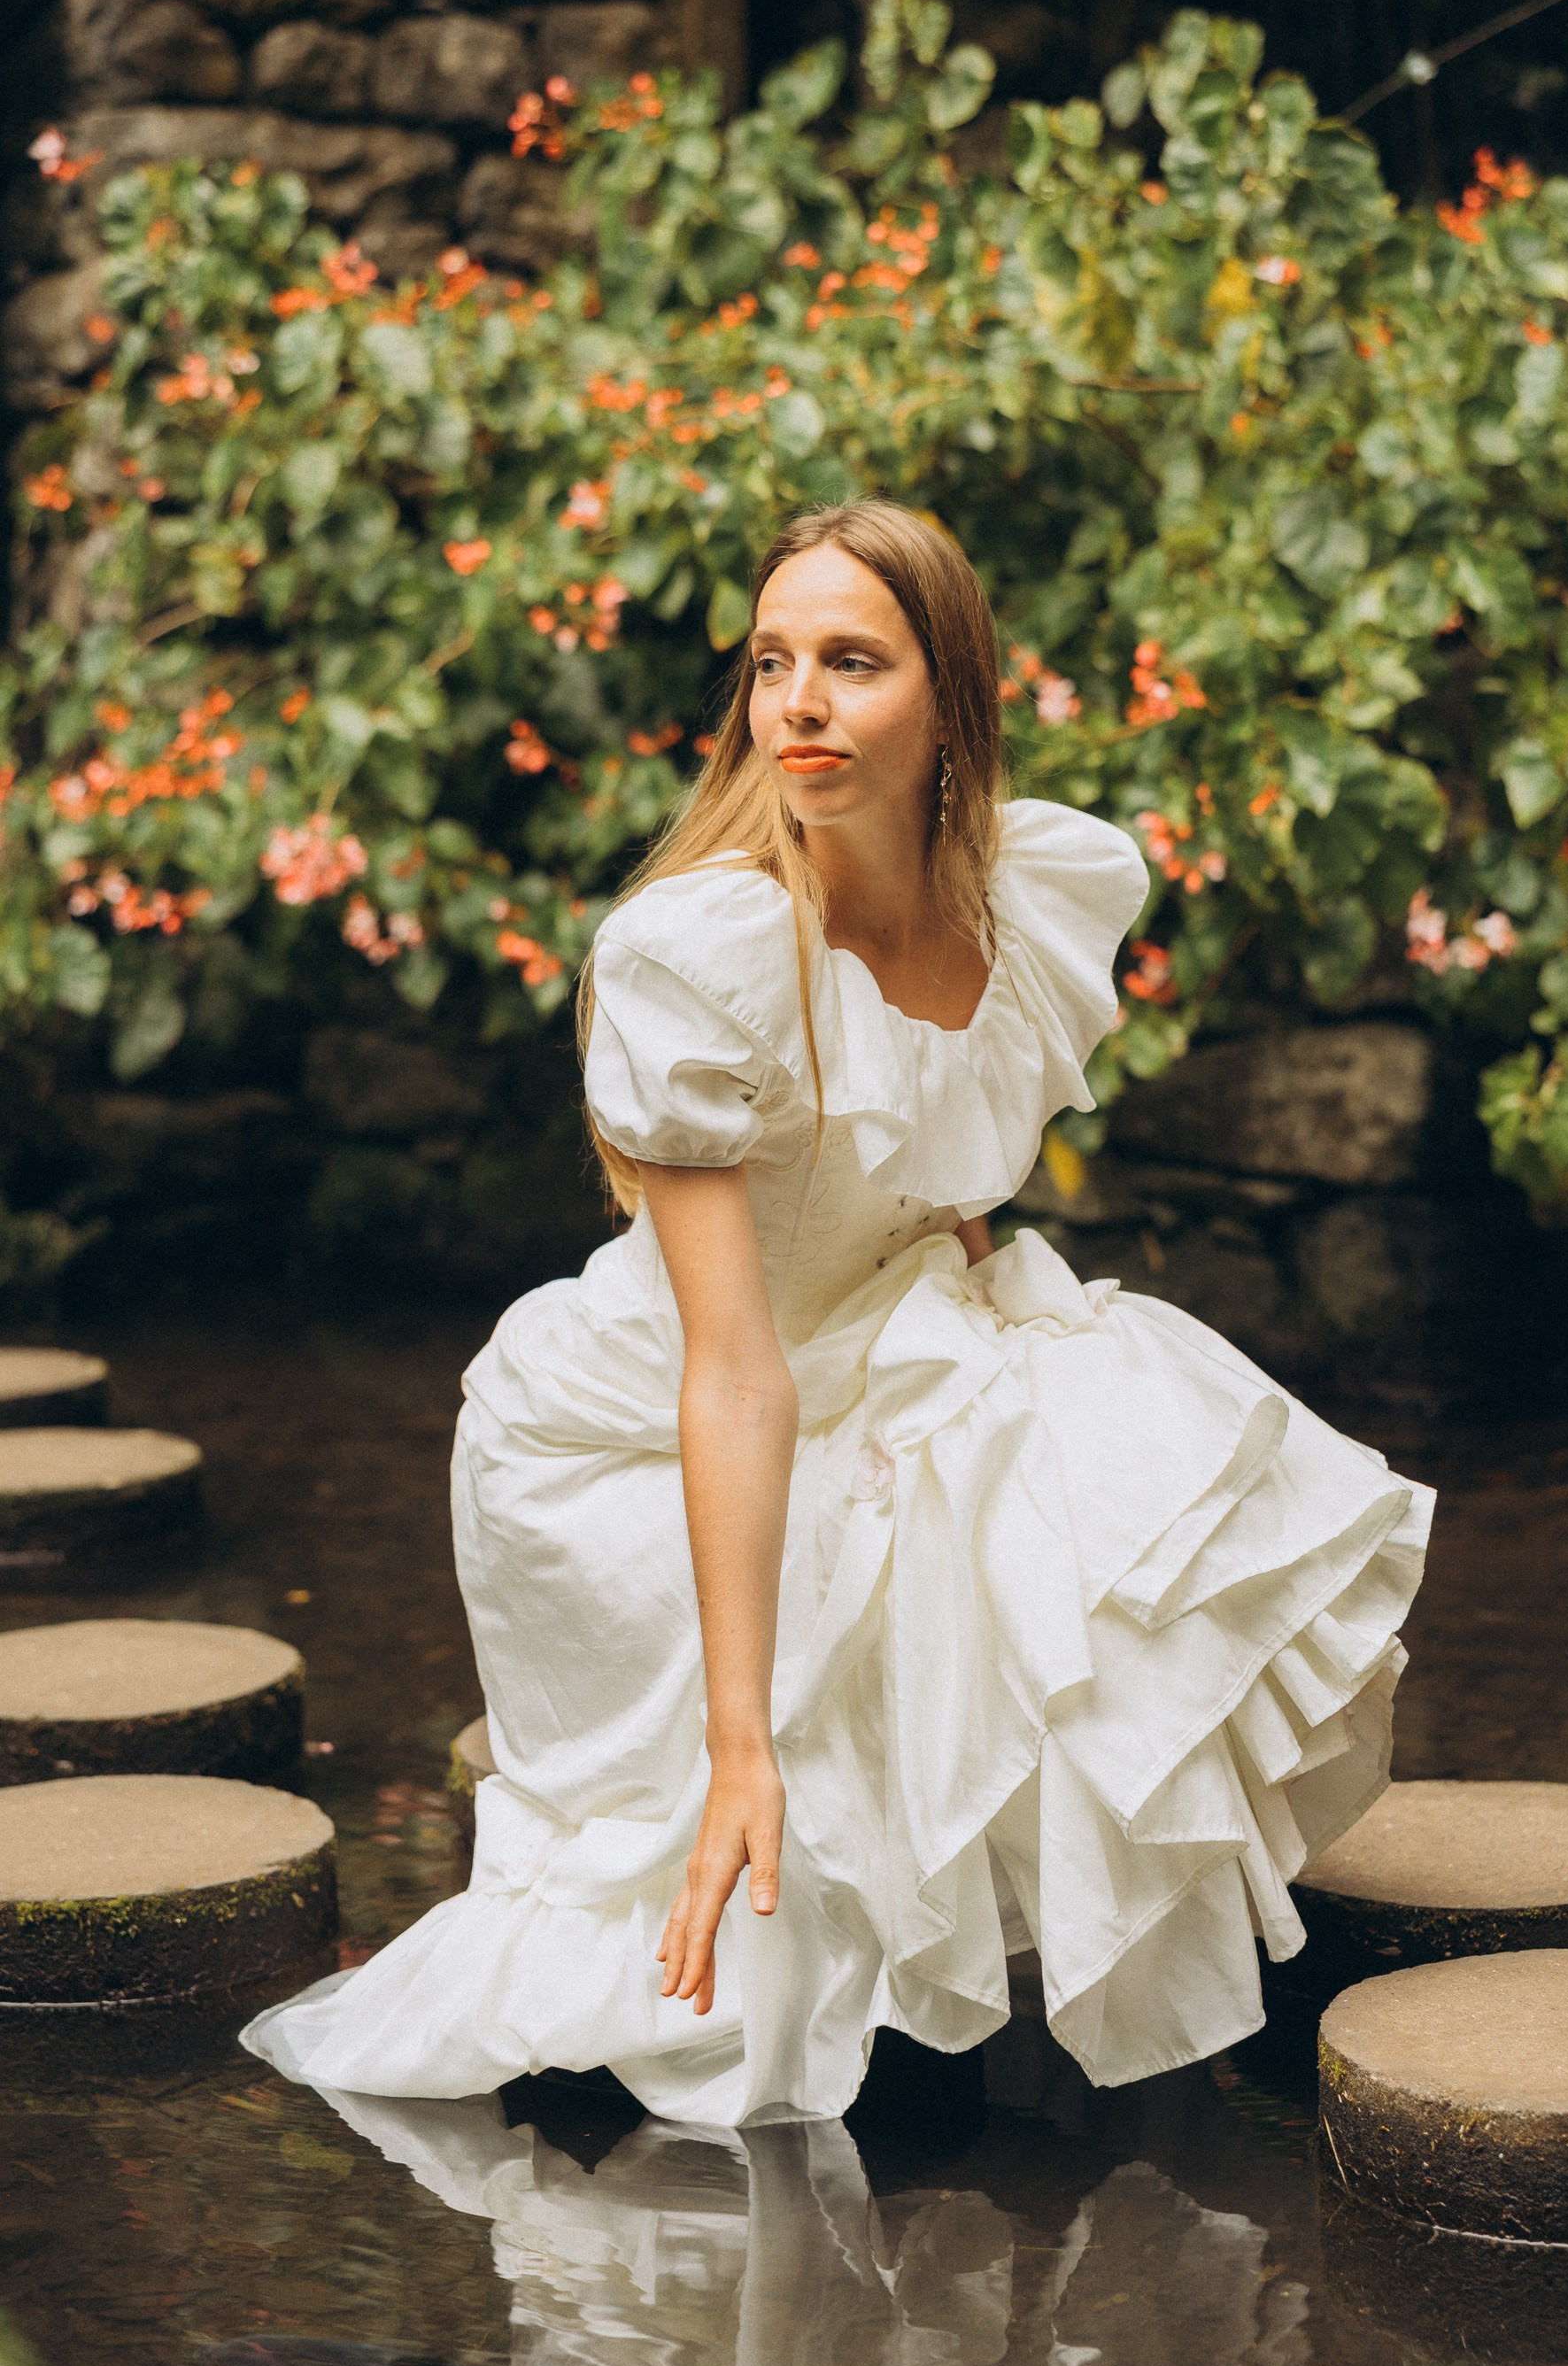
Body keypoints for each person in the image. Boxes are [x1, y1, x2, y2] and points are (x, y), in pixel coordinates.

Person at [243, 499, 1432, 2127]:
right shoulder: (707, 947)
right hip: (641, 1434)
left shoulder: (1017, 903)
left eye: (852, 663)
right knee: (800, 1826)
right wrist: (746, 1749)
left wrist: (1037, 1460)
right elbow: (735, 1376)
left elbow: (954, 1212)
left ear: (950, 700)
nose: (795, 702)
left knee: (1110, 1416)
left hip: (869, 1348)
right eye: (772, 662)